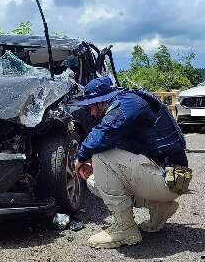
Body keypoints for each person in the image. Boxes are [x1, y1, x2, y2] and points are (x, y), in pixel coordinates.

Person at [72, 76, 191, 248]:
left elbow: (103, 132)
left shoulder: (127, 103)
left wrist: (81, 157)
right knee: (93, 179)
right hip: (169, 178)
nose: (90, 113)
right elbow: (120, 144)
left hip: (168, 178)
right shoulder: (129, 102)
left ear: (101, 101)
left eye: (90, 106)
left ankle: (125, 229)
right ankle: (159, 207)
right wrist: (92, 163)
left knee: (101, 158)